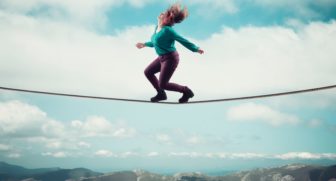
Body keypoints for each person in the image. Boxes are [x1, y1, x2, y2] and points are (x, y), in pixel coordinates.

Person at [136, 3, 204, 103]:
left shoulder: (168, 31)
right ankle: (161, 94)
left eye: (165, 13)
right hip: (162, 58)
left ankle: (186, 91)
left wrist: (196, 49)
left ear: (168, 18)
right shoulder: (158, 27)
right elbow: (156, 42)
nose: (162, 13)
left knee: (163, 84)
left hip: (170, 59)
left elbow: (182, 40)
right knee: (148, 72)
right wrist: (145, 44)